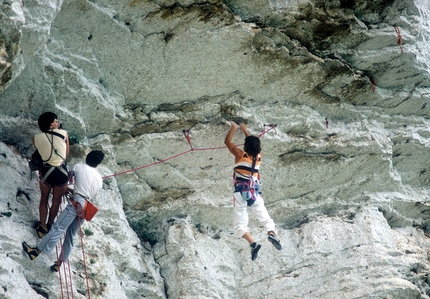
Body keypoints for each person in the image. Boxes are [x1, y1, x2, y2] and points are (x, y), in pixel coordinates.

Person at [22, 150, 105, 272]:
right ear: (98, 164)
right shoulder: (99, 178)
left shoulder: (79, 166)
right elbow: (87, 193)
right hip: (86, 207)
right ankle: (59, 264)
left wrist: (66, 190)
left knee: (58, 228)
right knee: (71, 235)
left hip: (76, 203)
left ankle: (36, 252)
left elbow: (68, 180)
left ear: (87, 157)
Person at [224, 121, 282, 261]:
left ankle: (253, 244)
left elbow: (227, 142)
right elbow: (253, 144)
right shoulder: (259, 156)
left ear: (245, 147)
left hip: (240, 192)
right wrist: (245, 131)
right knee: (264, 216)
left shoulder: (240, 155)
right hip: (254, 192)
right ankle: (271, 233)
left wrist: (234, 128)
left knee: (240, 223)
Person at [33, 112, 70, 238]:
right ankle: (50, 225)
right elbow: (66, 153)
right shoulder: (64, 133)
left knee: (44, 198)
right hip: (61, 173)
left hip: (47, 172)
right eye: (55, 121)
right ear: (51, 123)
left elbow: (41, 151)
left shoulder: (36, 138)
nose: (57, 123)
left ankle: (42, 227)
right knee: (56, 200)